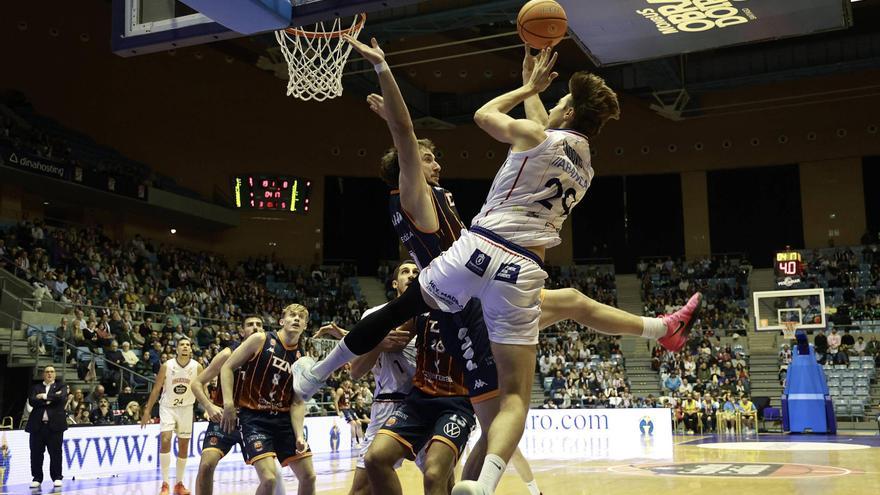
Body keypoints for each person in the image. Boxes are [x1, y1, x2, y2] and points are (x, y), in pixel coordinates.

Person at [311, 36, 702, 495]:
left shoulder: (533, 141)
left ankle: (316, 374)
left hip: (474, 264)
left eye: (559, 105)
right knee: (512, 394)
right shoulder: (585, 164)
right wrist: (532, 86)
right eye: (427, 157)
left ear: (568, 115)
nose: (432, 161)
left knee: (472, 371)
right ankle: (661, 330)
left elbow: (496, 119)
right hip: (514, 273)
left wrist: (524, 88)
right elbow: (542, 126)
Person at [314, 261, 418, 495]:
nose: (411, 275)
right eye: (405, 271)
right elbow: (356, 371)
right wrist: (378, 344)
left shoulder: (435, 314)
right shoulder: (373, 315)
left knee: (438, 475)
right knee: (361, 490)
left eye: (416, 272)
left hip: (426, 401)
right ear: (394, 283)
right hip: (387, 404)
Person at [220, 305, 316, 495]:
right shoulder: (260, 339)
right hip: (254, 419)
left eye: (301, 317)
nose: (296, 319)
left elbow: (297, 402)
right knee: (269, 479)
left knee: (309, 476)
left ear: (305, 325)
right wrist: (229, 404)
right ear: (282, 321)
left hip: (282, 421)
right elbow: (227, 368)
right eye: (292, 315)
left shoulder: (302, 359)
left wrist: (299, 435)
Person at [190, 316, 288, 495]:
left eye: (259, 325)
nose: (256, 327)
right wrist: (209, 407)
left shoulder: (268, 358)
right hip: (224, 419)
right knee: (206, 465)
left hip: (253, 420)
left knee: (272, 476)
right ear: (242, 332)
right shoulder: (227, 354)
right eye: (250, 325)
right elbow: (197, 383)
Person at [140, 338, 203, 495]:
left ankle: (179, 484)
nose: (185, 347)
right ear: (176, 349)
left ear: (191, 349)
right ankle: (165, 483)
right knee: (166, 440)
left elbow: (202, 388)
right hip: (168, 407)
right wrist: (147, 411)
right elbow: (156, 390)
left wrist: (207, 406)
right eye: (182, 344)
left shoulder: (197, 366)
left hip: (187, 408)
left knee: (183, 447)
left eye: (188, 345)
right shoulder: (167, 366)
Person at [26, 366, 67, 488]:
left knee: (55, 453)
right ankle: (37, 477)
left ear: (55, 374)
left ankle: (57, 477)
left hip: (55, 426)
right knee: (36, 453)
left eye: (52, 372)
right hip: (37, 426)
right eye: (47, 372)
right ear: (43, 374)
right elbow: (32, 401)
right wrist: (52, 398)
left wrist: (43, 397)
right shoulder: (36, 387)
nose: (49, 374)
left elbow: (61, 398)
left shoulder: (61, 386)